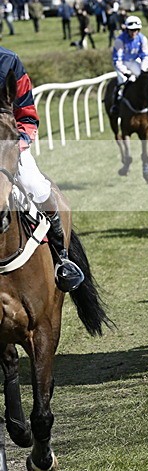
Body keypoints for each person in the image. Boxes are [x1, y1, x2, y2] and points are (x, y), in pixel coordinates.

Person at [0, 46, 84, 291]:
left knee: (36, 187)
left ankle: (62, 260)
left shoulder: (9, 61)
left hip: (7, 145)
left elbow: (26, 115)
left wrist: (19, 145)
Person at [110, 15, 148, 112]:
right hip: (121, 64)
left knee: (143, 79)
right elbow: (118, 61)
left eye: (136, 30)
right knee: (123, 80)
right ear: (127, 30)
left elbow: (145, 56)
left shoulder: (142, 39)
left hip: (133, 62)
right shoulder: (119, 40)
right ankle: (116, 105)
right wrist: (126, 73)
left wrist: (143, 70)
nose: (133, 32)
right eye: (131, 30)